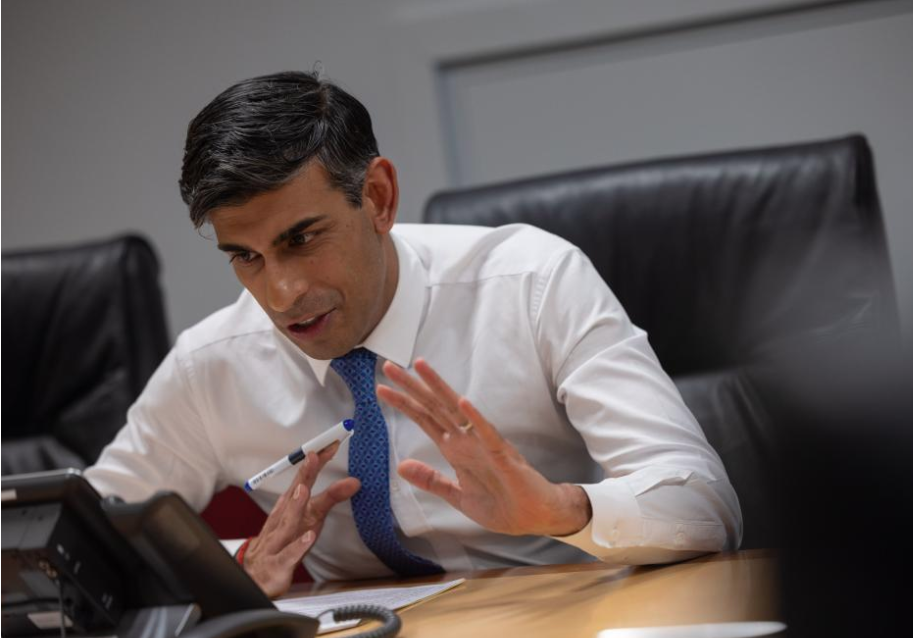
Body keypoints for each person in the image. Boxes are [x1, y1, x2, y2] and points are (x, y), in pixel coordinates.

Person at [85, 70, 742, 597]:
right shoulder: (213, 364)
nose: (280, 294)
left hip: (566, 608)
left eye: (302, 239)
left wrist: (557, 509)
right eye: (245, 256)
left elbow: (704, 505)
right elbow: (78, 541)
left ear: (376, 197)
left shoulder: (531, 282)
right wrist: (225, 575)